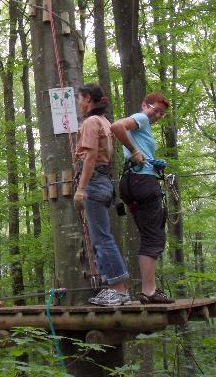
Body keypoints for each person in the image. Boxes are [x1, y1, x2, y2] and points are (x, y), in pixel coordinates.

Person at [111, 92, 175, 304]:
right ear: (145, 105)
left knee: (149, 234)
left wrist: (149, 159)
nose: (157, 115)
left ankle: (149, 290)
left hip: (131, 181)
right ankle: (149, 292)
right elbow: (116, 126)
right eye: (155, 110)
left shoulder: (142, 126)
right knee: (153, 238)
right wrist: (135, 150)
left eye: (162, 113)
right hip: (142, 182)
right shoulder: (141, 118)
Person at [73, 84, 130, 306]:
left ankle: (118, 290)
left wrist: (80, 188)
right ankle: (114, 288)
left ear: (88, 99)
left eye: (80, 98)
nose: (79, 103)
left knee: (101, 238)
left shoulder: (90, 122)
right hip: (103, 182)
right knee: (100, 237)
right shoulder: (105, 122)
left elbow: (90, 157)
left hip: (94, 182)